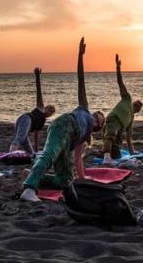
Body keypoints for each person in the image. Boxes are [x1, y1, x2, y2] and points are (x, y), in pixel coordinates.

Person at [20, 38, 105, 202]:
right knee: (50, 154)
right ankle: (29, 188)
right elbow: (81, 80)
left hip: (68, 141)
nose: (95, 118)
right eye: (96, 115)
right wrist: (80, 55)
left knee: (66, 180)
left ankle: (32, 177)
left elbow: (78, 159)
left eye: (99, 121)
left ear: (98, 127)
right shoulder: (84, 109)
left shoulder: (85, 137)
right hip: (66, 124)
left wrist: (83, 179)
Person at [101, 54, 143, 165]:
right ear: (134, 103)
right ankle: (106, 158)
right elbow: (120, 83)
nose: (138, 106)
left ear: (138, 111)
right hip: (113, 120)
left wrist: (133, 153)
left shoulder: (131, 119)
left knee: (116, 154)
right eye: (137, 104)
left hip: (119, 129)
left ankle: (93, 153)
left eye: (139, 106)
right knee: (111, 135)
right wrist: (118, 67)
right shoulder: (127, 98)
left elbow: (128, 138)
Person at [9, 67, 56, 154]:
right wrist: (37, 76)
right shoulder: (41, 109)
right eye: (49, 109)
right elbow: (39, 92)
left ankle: (31, 154)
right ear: (46, 108)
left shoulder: (42, 121)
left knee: (30, 152)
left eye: (51, 112)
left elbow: (36, 135)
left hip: (25, 125)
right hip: (26, 119)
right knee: (19, 139)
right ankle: (9, 155)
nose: (49, 112)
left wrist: (37, 151)